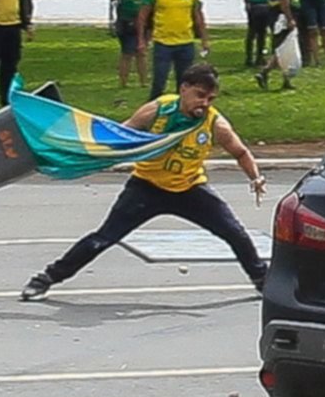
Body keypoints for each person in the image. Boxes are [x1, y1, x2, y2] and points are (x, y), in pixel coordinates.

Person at [20, 65, 270, 302]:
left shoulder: (214, 124)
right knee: (103, 238)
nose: (204, 104)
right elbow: (121, 135)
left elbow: (241, 152)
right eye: (200, 95)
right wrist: (91, 153)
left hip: (189, 189)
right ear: (184, 88)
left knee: (235, 233)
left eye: (210, 99)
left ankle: (262, 280)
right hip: (146, 187)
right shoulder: (159, 110)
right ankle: (46, 278)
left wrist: (255, 177)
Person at [140, 0, 210, 100]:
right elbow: (143, 15)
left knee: (185, 84)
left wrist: (204, 38)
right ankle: (151, 114)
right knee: (159, 83)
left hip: (186, 42)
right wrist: (141, 39)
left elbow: (197, 14)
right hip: (163, 42)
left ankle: (181, 116)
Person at [255, 0, 300, 91]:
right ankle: (265, 72)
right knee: (284, 46)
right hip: (281, 13)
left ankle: (284, 79)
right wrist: (290, 18)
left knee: (283, 46)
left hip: (275, 12)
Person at [106, 0, 153, 89]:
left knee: (142, 52)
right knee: (127, 53)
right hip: (126, 19)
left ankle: (144, 81)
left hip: (144, 21)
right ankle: (123, 82)